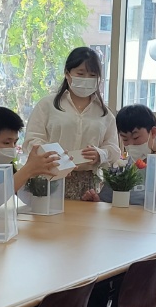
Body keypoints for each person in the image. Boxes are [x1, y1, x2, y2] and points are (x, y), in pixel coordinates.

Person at [25, 46, 120, 200]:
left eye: (92, 75)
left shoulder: (104, 113)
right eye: (80, 73)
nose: (86, 79)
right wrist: (53, 156)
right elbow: (32, 140)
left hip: (87, 184)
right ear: (67, 74)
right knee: (50, 215)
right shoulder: (47, 105)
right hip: (51, 178)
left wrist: (100, 154)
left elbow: (114, 149)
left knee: (83, 216)